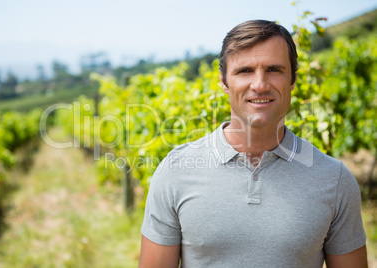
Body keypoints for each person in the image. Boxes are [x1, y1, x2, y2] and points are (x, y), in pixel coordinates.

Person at [138, 20, 368, 268]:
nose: (259, 85)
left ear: (292, 81)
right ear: (224, 82)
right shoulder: (174, 171)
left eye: (274, 70)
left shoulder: (335, 180)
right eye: (245, 70)